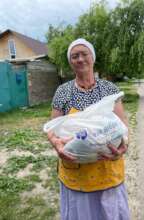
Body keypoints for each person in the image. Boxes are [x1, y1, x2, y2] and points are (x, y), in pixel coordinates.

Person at [47, 38, 130, 220]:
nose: (80, 59)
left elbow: (122, 124)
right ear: (70, 62)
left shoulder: (109, 89)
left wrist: (124, 146)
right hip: (77, 175)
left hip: (108, 169)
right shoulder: (63, 91)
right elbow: (52, 129)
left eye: (84, 54)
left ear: (92, 57)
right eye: (74, 56)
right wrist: (56, 144)